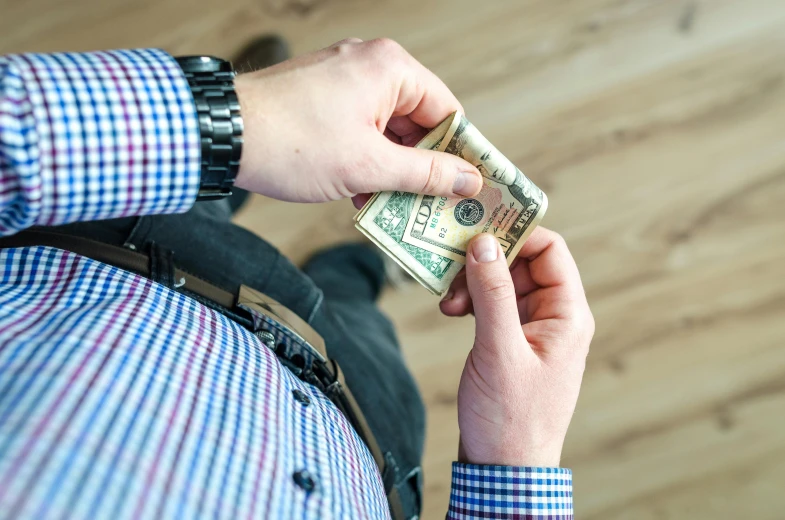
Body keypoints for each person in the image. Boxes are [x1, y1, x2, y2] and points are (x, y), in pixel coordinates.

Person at [0, 35, 594, 519]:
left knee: (204, 193)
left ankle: (227, 183)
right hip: (368, 427)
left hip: (125, 263)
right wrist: (518, 464)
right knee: (358, 308)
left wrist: (230, 122)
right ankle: (354, 266)